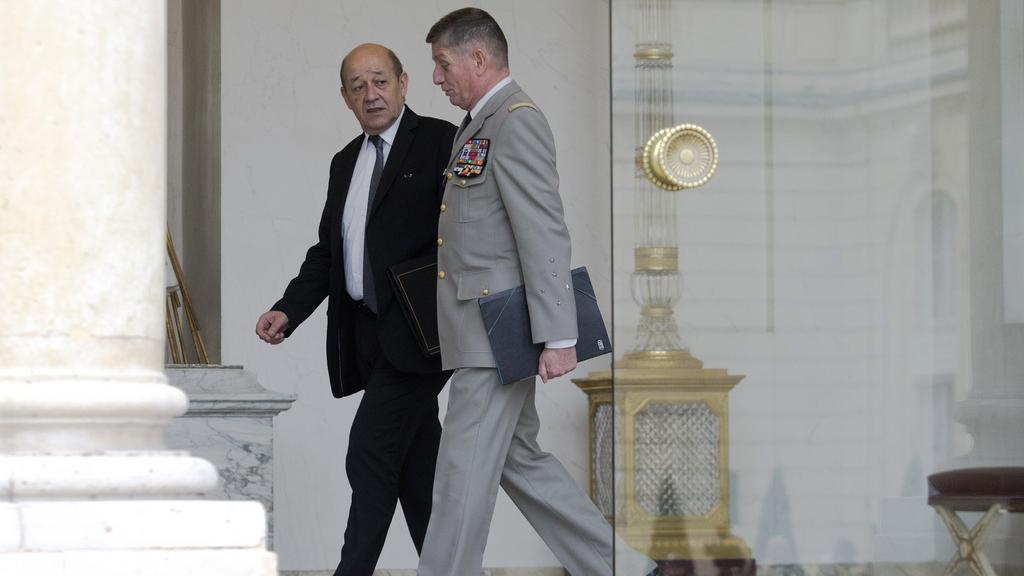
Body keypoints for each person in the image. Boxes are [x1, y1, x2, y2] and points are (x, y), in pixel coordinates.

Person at [417, 8, 658, 576]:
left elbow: (543, 229)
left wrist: (558, 335)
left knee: (460, 474)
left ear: (478, 58)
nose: (437, 77)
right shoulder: (481, 123)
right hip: (485, 331)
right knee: (518, 459)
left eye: (442, 63)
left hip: (497, 335)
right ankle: (622, 567)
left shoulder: (514, 120)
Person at [254, 43, 456, 576]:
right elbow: (329, 252)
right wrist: (288, 310)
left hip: (421, 335)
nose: (371, 95)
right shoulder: (346, 161)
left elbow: (469, 235)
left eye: (380, 81)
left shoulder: (440, 142)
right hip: (368, 339)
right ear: (344, 97)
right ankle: (451, 569)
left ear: (404, 83)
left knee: (368, 452)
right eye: (358, 86)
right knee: (415, 467)